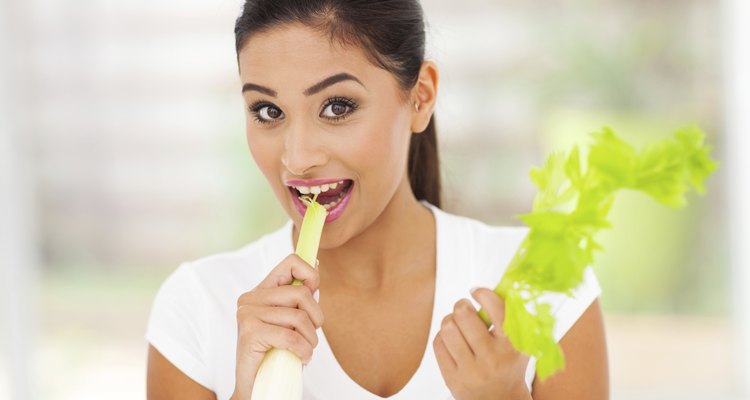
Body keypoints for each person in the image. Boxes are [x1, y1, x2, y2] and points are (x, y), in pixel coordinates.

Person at [145, 1, 609, 399]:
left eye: (337, 107)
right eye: (268, 111)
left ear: (420, 97)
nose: (298, 158)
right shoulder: (199, 307)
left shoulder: (543, 283)